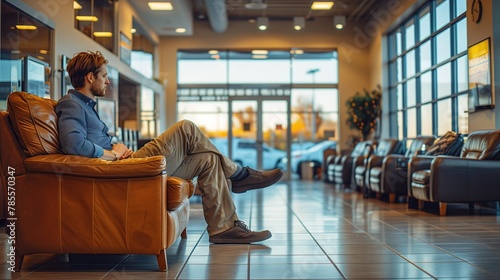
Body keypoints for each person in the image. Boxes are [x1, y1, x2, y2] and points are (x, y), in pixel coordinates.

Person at [55, 51, 283, 244]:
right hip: (125, 169)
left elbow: (88, 142)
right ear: (89, 77)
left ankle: (224, 228)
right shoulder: (71, 104)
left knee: (208, 160)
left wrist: (114, 147)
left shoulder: (86, 105)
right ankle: (240, 175)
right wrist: (112, 153)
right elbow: (73, 144)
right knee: (186, 127)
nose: (107, 81)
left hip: (127, 163)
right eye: (104, 76)